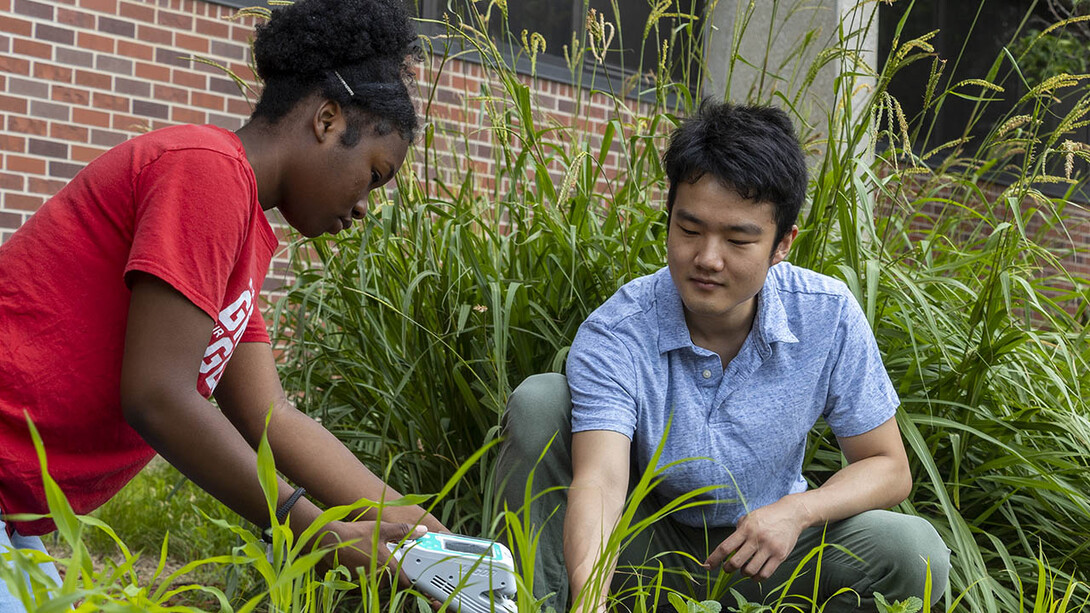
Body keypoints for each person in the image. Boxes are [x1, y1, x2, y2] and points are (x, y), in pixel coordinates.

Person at [0, 0, 447, 608]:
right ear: (326, 119)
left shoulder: (237, 235)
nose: (367, 206)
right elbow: (159, 395)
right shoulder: (205, 172)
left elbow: (273, 418)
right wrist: (317, 531)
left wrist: (418, 531)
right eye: (373, 175)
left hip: (14, 516)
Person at [495, 101, 951, 612]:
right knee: (541, 401)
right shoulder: (620, 330)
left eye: (738, 239)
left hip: (766, 553)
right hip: (642, 549)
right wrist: (589, 598)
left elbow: (888, 466)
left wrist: (797, 511)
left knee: (917, 553)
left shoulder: (827, 315)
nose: (707, 259)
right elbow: (600, 481)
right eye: (689, 231)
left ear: (782, 244)